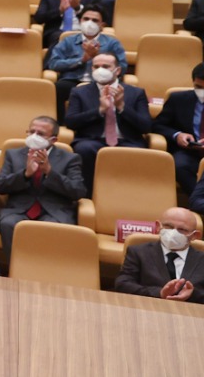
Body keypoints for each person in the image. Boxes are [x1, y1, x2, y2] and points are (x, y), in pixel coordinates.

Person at [0, 115, 87, 254]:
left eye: (40, 134)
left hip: (53, 211)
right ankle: (16, 265)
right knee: (8, 224)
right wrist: (25, 174)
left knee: (50, 228)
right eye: (31, 132)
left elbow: (78, 191)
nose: (34, 136)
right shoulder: (13, 154)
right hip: (19, 209)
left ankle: (43, 267)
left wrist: (49, 172)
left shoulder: (70, 159)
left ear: (53, 140)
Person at [64, 53, 151, 179]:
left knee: (136, 152)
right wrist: (99, 110)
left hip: (127, 141)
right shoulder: (79, 92)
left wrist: (121, 107)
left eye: (105, 66)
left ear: (118, 70)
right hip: (92, 140)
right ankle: (88, 190)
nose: (100, 70)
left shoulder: (136, 93)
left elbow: (146, 126)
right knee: (84, 149)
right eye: (96, 67)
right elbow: (71, 122)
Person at [112, 208, 204, 303]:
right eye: (168, 226)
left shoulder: (202, 260)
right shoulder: (138, 252)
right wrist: (159, 293)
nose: (173, 233)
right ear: (158, 226)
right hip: (147, 307)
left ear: (195, 235)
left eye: (182, 230)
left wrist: (192, 294)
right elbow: (122, 284)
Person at [46, 9, 127, 112]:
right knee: (57, 88)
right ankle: (61, 121)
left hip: (103, 82)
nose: (90, 23)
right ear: (80, 21)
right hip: (72, 80)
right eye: (86, 19)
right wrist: (82, 60)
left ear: (102, 25)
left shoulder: (113, 43)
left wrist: (98, 58)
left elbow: (122, 67)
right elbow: (53, 64)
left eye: (95, 20)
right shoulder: (68, 41)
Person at [155, 64, 204, 196]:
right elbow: (158, 125)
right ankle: (199, 200)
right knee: (179, 165)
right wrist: (177, 135)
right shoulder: (178, 99)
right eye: (199, 87)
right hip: (189, 151)